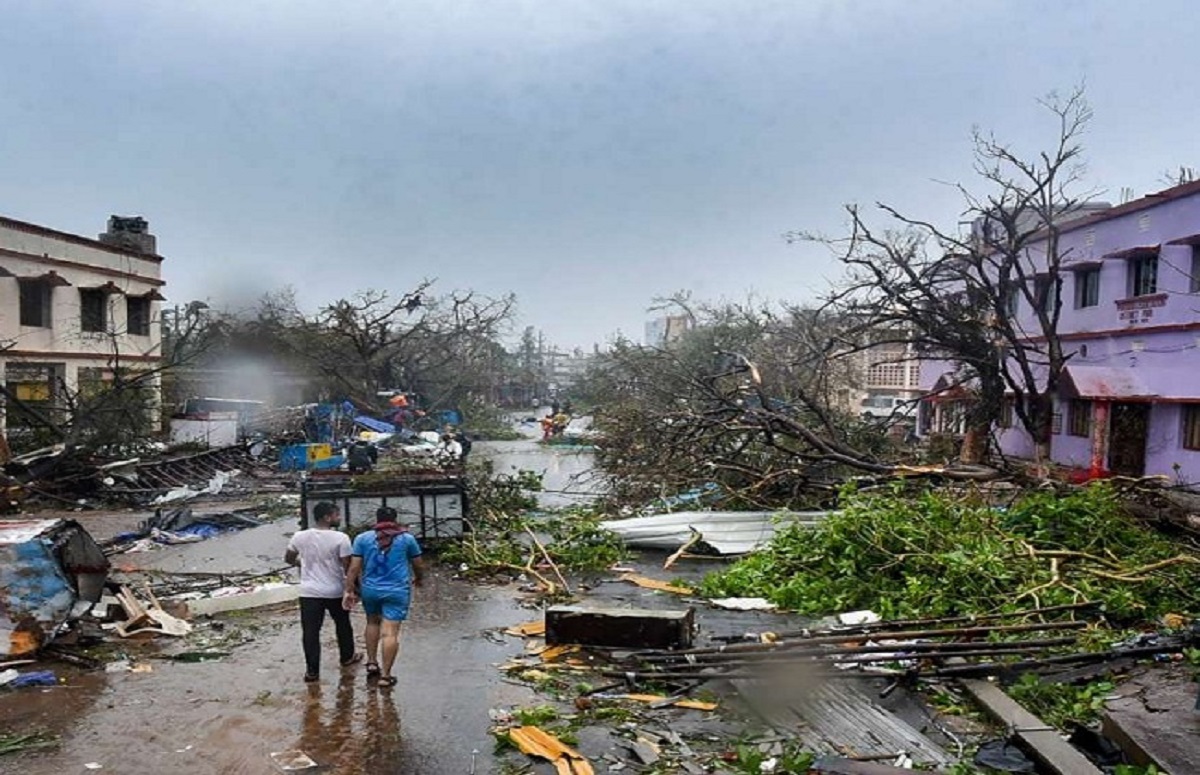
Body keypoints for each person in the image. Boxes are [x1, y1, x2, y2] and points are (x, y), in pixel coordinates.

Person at [344, 506, 426, 688]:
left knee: (372, 622)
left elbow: (354, 567)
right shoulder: (407, 539)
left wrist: (349, 589)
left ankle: (372, 662)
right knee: (390, 632)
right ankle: (386, 676)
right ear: (395, 520)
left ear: (377, 519)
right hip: (397, 591)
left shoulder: (362, 538)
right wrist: (419, 579)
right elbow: (418, 564)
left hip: (370, 590)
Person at [284, 501, 361, 683]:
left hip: (309, 591)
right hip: (335, 590)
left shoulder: (299, 536)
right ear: (327, 517)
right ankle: (347, 657)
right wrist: (354, 588)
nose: (339, 518)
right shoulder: (340, 538)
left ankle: (312, 672)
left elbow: (288, 558)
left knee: (310, 632)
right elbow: (348, 566)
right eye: (336, 515)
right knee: (342, 624)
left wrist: (303, 563)